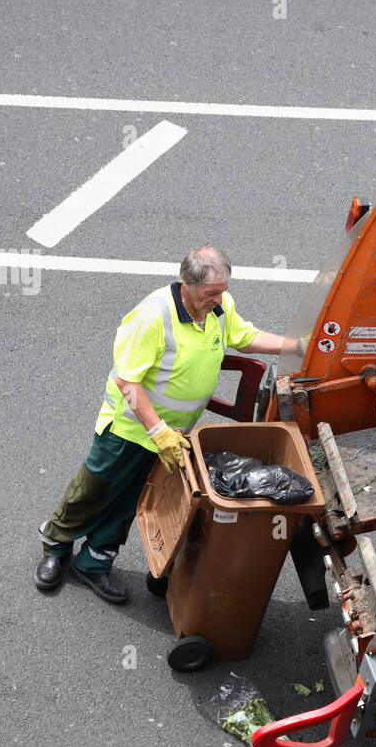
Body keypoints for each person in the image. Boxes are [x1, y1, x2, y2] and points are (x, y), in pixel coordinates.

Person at [36, 246, 302, 603]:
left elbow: (245, 336)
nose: (219, 299)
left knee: (135, 496)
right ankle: (56, 545)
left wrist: (297, 346)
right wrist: (157, 430)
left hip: (172, 434)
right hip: (130, 428)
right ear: (187, 285)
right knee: (95, 488)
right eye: (211, 293)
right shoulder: (152, 317)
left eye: (222, 290)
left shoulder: (218, 307)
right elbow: (127, 382)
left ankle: (96, 559)